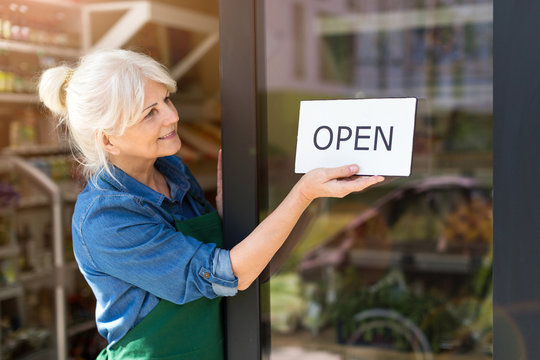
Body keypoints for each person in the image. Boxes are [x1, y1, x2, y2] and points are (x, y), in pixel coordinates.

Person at [38, 49, 384, 359]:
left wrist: (238, 212)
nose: (172, 117)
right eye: (150, 114)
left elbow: (248, 265)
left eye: (166, 100)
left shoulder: (171, 170)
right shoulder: (106, 217)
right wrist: (302, 193)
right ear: (108, 139)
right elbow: (228, 274)